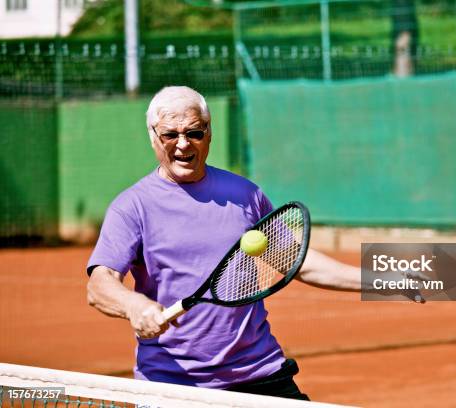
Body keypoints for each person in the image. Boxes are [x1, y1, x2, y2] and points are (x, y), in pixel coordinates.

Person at [86, 86, 423, 400]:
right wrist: (135, 307)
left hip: (259, 373)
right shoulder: (133, 206)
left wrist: (380, 279)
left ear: (209, 131)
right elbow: (100, 284)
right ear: (153, 137)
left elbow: (296, 260)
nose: (183, 144)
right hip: (172, 383)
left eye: (194, 132)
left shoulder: (245, 195)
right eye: (170, 135)